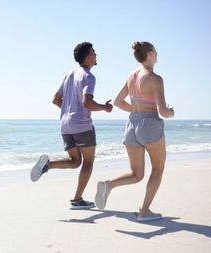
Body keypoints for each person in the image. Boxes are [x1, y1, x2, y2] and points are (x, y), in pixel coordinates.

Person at [95, 41, 174, 221]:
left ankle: (109, 185)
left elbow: (118, 101)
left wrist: (138, 112)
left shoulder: (132, 75)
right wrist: (171, 112)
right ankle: (144, 211)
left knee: (136, 174)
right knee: (158, 168)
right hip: (150, 125)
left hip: (132, 125)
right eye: (156, 51)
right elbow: (162, 111)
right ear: (151, 54)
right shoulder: (155, 79)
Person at [30, 42, 113, 209]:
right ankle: (77, 199)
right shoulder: (89, 77)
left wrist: (70, 110)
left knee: (75, 161)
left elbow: (55, 99)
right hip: (81, 125)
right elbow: (87, 103)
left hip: (65, 125)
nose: (96, 55)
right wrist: (105, 108)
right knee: (88, 162)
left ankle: (48, 165)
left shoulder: (69, 74)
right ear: (88, 57)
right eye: (94, 53)